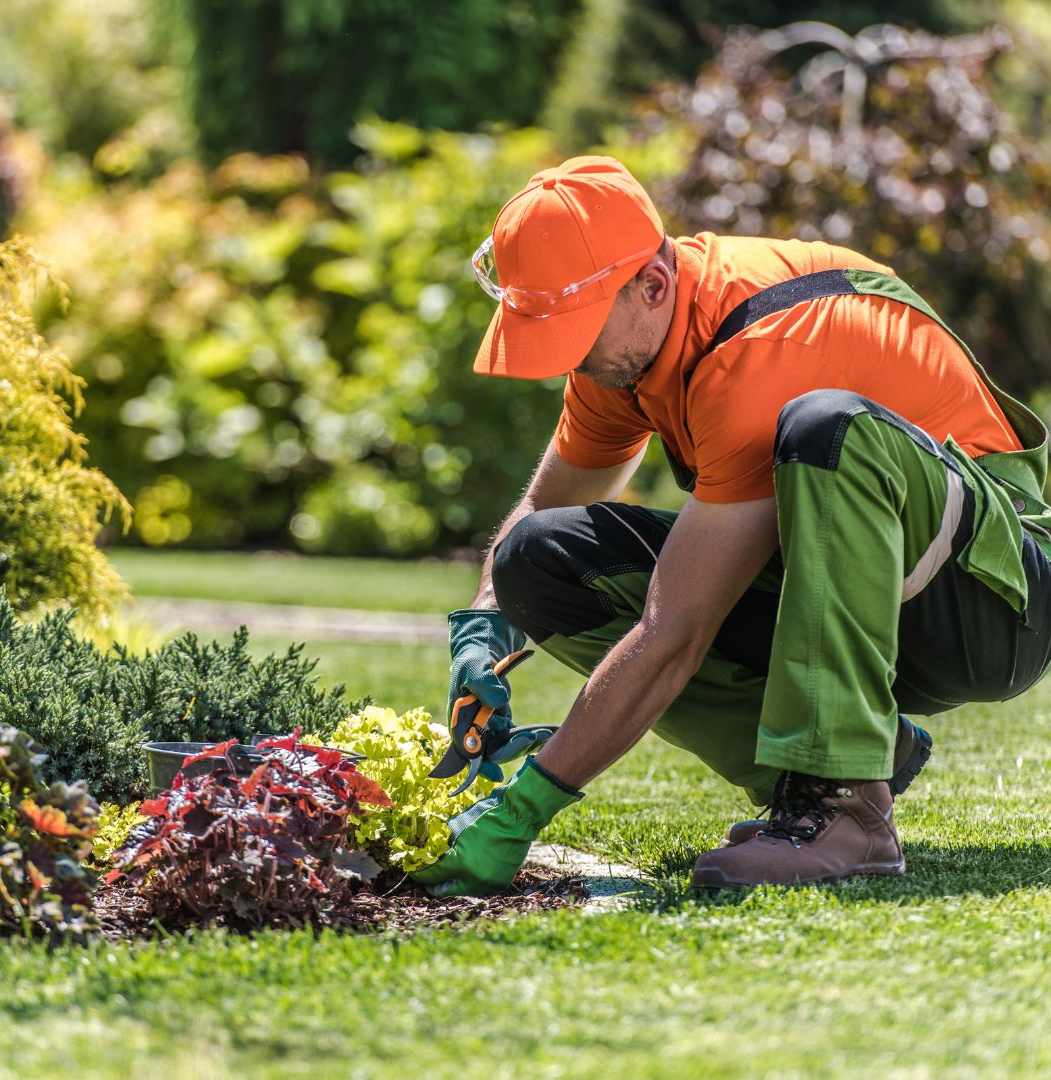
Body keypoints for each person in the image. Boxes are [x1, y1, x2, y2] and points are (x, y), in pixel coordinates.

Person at [411, 155, 1051, 897]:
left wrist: (524, 806)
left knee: (827, 428)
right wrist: (482, 630)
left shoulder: (762, 348)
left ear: (652, 284)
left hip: (993, 602)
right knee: (535, 558)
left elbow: (674, 631)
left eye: (576, 333)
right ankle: (849, 760)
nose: (570, 362)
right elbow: (544, 511)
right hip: (865, 588)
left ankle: (841, 803)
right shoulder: (629, 353)